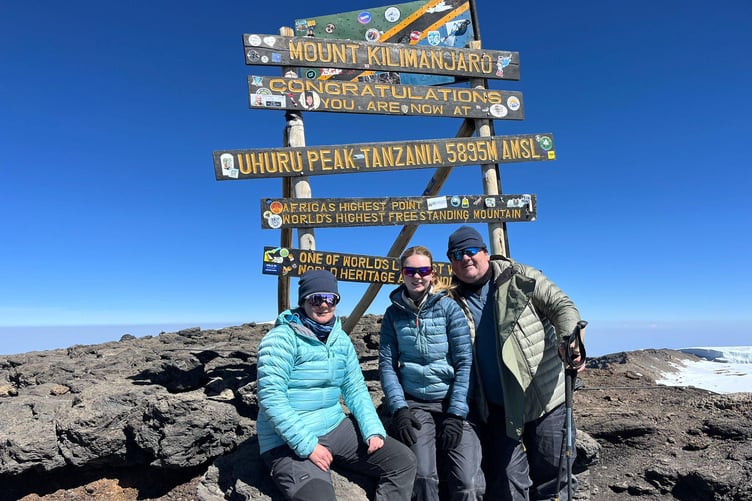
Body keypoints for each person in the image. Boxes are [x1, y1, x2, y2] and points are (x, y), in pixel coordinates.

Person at [445, 226, 585, 501]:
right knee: (507, 484)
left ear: (486, 252)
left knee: (554, 480)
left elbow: (562, 306)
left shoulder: (521, 277)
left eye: (471, 251)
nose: (465, 258)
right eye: (456, 254)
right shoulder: (451, 301)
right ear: (451, 262)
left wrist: (570, 340)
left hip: (545, 400)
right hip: (498, 408)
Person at [256, 269, 417, 501]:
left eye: (331, 299)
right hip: (285, 440)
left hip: (334, 426)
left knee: (403, 462)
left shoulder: (340, 339)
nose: (324, 305)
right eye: (316, 298)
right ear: (303, 301)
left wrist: (372, 428)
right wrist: (309, 445)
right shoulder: (280, 339)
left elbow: (355, 388)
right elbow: (271, 399)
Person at [379, 246, 485, 500]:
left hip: (451, 403)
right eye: (410, 271)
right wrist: (399, 409)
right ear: (402, 274)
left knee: (468, 482)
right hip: (415, 404)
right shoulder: (393, 314)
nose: (417, 276)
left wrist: (457, 414)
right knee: (423, 476)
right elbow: (386, 364)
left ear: (433, 274)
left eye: (424, 270)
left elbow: (464, 363)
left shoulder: (449, 309)